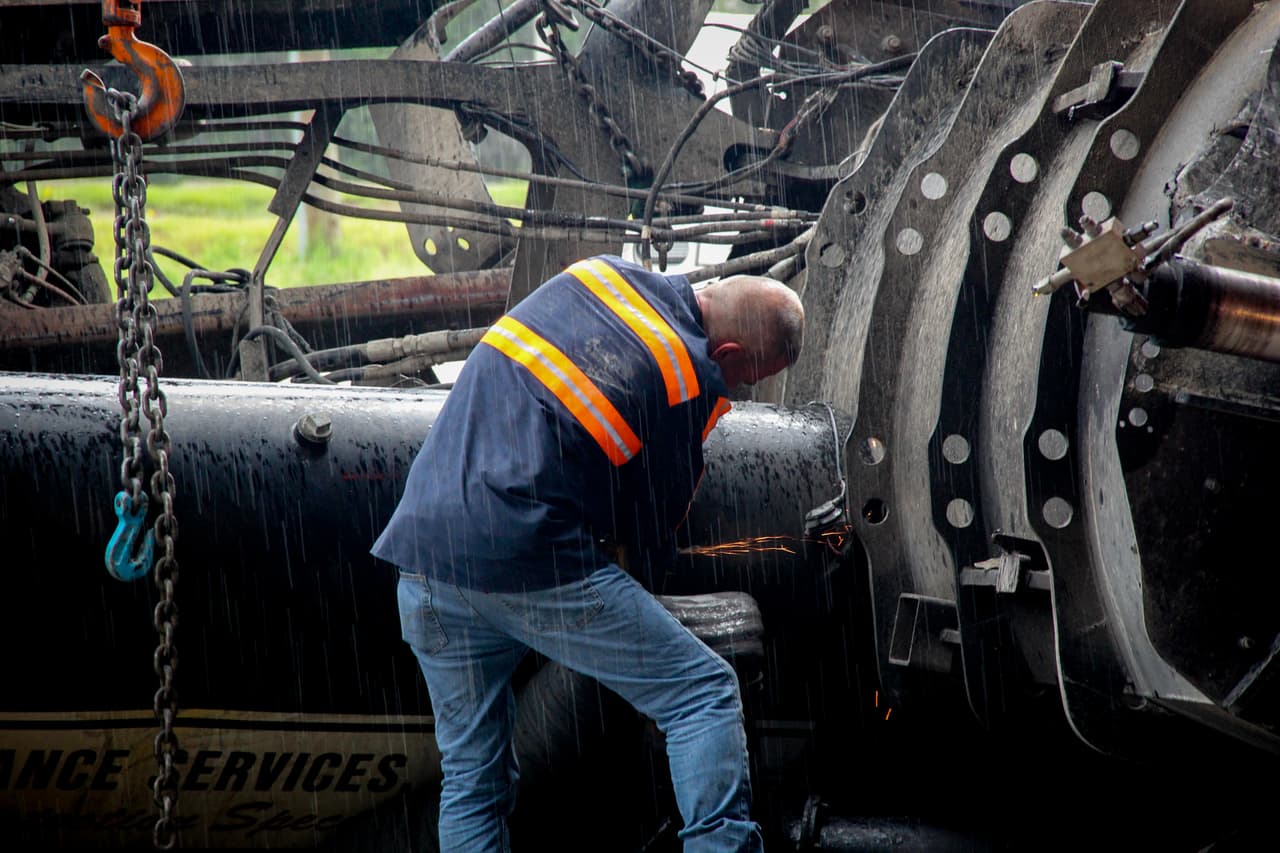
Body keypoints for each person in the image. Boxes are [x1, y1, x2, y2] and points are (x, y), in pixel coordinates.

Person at [372, 254, 804, 853]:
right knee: (700, 692)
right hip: (522, 559)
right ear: (728, 355)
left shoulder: (597, 274)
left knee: (474, 779)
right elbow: (653, 526)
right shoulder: (683, 378)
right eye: (747, 379)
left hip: (422, 558)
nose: (740, 388)